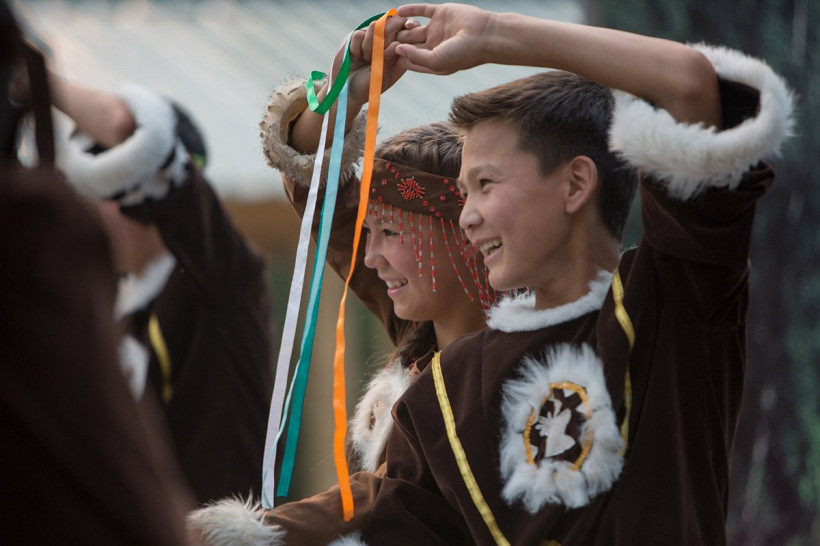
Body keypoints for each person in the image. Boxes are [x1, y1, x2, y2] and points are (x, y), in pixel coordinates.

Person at [337, 3, 794, 545]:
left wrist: (493, 33)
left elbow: (691, 85)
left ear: (576, 184)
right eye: (463, 192)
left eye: (486, 184)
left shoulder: (671, 301)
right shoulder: (443, 390)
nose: (467, 216)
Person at [187, 15, 496, 545]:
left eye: (390, 232)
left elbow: (393, 489)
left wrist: (251, 533)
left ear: (462, 229)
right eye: (367, 231)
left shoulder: (519, 359)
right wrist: (344, 94)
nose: (370, 256)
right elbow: (315, 191)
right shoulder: (423, 329)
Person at [0, 1, 195, 543]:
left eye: (119, 191)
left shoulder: (209, 288)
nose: (101, 207)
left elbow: (134, 134)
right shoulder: (39, 236)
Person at [49, 72, 275, 505]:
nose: (88, 208)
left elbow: (145, 147)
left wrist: (31, 72)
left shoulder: (220, 285)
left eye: (104, 188)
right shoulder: (113, 308)